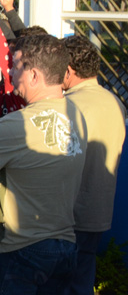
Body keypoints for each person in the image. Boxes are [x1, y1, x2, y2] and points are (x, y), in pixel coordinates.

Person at [0, 34, 88, 294]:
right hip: (63, 246)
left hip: (17, 252)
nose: (10, 71)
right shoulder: (78, 117)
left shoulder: (16, 124)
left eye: (15, 65)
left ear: (34, 75)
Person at [61, 35, 126, 295]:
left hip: (69, 215)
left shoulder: (68, 107)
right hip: (99, 212)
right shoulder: (115, 102)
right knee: (82, 281)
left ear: (68, 70)